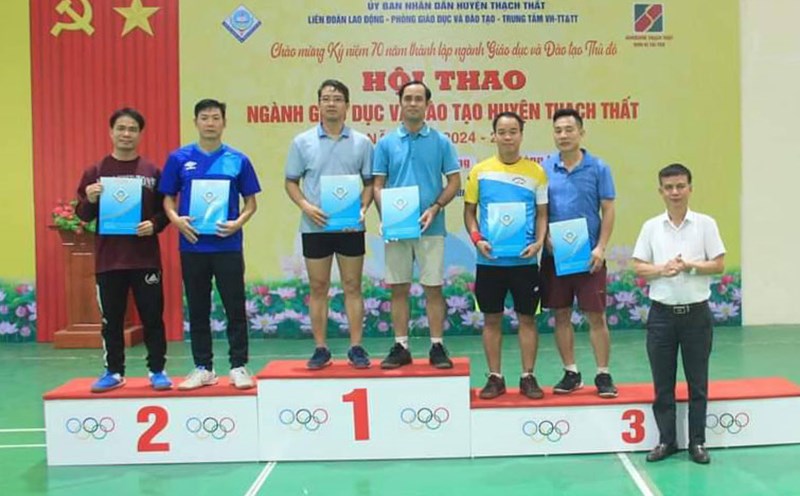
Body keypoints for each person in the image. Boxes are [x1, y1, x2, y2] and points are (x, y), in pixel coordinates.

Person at [160, 99, 261, 390]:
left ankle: (239, 365)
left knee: (234, 307)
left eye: (216, 118)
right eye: (204, 118)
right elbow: (167, 198)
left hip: (227, 246)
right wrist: (176, 220)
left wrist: (237, 223)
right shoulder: (179, 159)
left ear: (224, 123)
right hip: (192, 246)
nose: (210, 123)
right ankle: (203, 367)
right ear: (196, 122)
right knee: (198, 307)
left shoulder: (237, 159)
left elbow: (251, 203)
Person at [632, 163, 725, 464]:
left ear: (690, 188)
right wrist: (663, 270)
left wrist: (690, 266)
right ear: (661, 191)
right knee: (663, 383)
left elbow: (719, 264)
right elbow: (638, 266)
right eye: (669, 187)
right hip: (661, 317)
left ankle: (697, 443)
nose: (675, 192)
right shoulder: (651, 227)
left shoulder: (706, 224)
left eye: (680, 186)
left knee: (698, 382)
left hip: (697, 315)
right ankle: (666, 441)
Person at [76, 108, 171, 393]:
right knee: (112, 320)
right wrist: (90, 199)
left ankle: (157, 370)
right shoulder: (96, 172)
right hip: (109, 260)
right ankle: (114, 371)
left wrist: (153, 225)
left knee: (153, 316)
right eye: (121, 128)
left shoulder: (153, 172)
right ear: (111, 132)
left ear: (140, 134)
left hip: (145, 259)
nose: (126, 134)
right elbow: (82, 215)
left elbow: (166, 213)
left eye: (132, 129)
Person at [285, 79, 374, 369]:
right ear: (318, 104)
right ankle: (321, 348)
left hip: (350, 227)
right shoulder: (302, 142)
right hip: (315, 227)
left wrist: (362, 208)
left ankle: (357, 347)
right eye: (326, 98)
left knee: (352, 285)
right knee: (318, 286)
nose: (331, 103)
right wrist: (306, 206)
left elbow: (371, 183)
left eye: (337, 98)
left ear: (347, 105)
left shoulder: (362, 142)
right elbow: (291, 182)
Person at [372, 80, 461, 369]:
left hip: (430, 228)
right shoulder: (385, 143)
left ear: (427, 104)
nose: (412, 103)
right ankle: (401, 346)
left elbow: (454, 182)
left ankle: (437, 346)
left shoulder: (441, 142)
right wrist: (387, 215)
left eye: (418, 99)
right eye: (407, 98)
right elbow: (377, 185)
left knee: (433, 288)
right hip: (397, 230)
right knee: (398, 287)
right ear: (399, 103)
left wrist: (435, 208)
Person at [464, 112, 548, 399]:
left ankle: (528, 376)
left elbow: (542, 214)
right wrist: (477, 240)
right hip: (489, 261)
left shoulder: (536, 172)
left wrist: (538, 243)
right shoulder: (479, 171)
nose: (508, 136)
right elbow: (469, 213)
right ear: (494, 135)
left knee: (527, 319)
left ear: (521, 135)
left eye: (513, 131)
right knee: (491, 320)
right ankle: (495, 378)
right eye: (502, 131)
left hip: (524, 261)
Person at [540, 108, 618, 398]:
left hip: (589, 256)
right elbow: (541, 210)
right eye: (558, 130)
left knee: (596, 315)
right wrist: (544, 236)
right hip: (554, 255)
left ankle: (603, 374)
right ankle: (571, 372)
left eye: (569, 129)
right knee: (561, 314)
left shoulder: (599, 167)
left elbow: (608, 209)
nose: (563, 135)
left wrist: (601, 247)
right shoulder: (545, 169)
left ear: (581, 132)